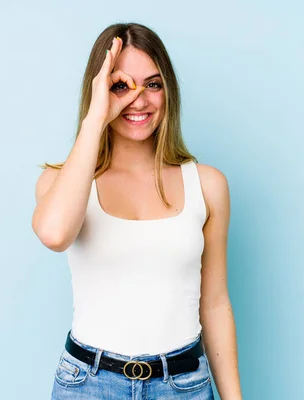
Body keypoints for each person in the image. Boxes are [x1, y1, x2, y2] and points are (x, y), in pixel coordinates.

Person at [32, 22, 242, 399]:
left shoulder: (208, 185)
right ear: (99, 91)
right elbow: (54, 234)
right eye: (120, 86)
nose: (139, 100)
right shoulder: (60, 183)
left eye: (153, 84)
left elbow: (214, 303)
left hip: (184, 385)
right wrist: (96, 118)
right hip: (89, 385)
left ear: (168, 91)